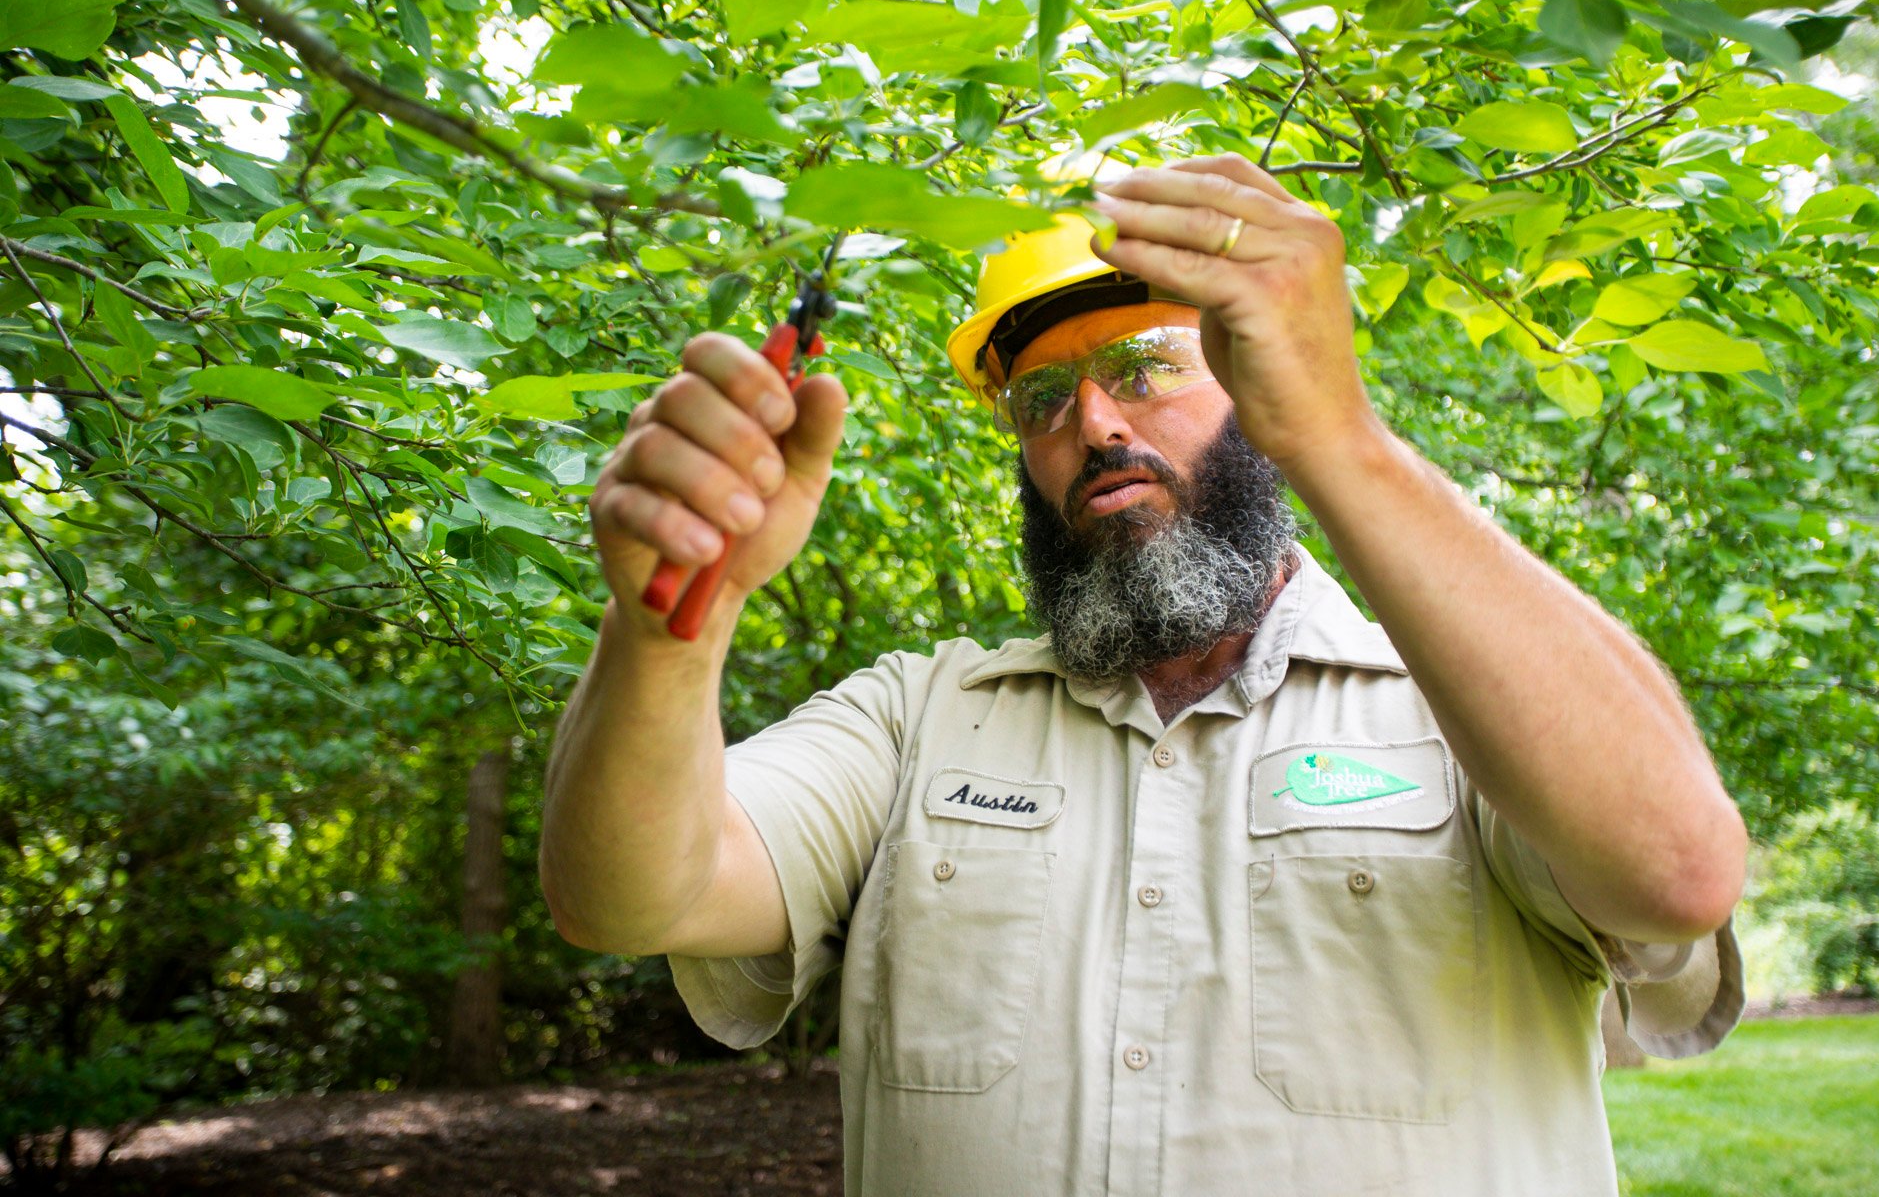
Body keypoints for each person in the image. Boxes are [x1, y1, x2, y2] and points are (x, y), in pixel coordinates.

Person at [541, 153, 1749, 1195]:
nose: (1099, 425)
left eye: (1149, 365)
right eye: (1047, 396)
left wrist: (1338, 432)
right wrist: (669, 623)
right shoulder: (920, 717)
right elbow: (633, 894)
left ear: (1257, 378)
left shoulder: (1476, 706)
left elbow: (1675, 870)